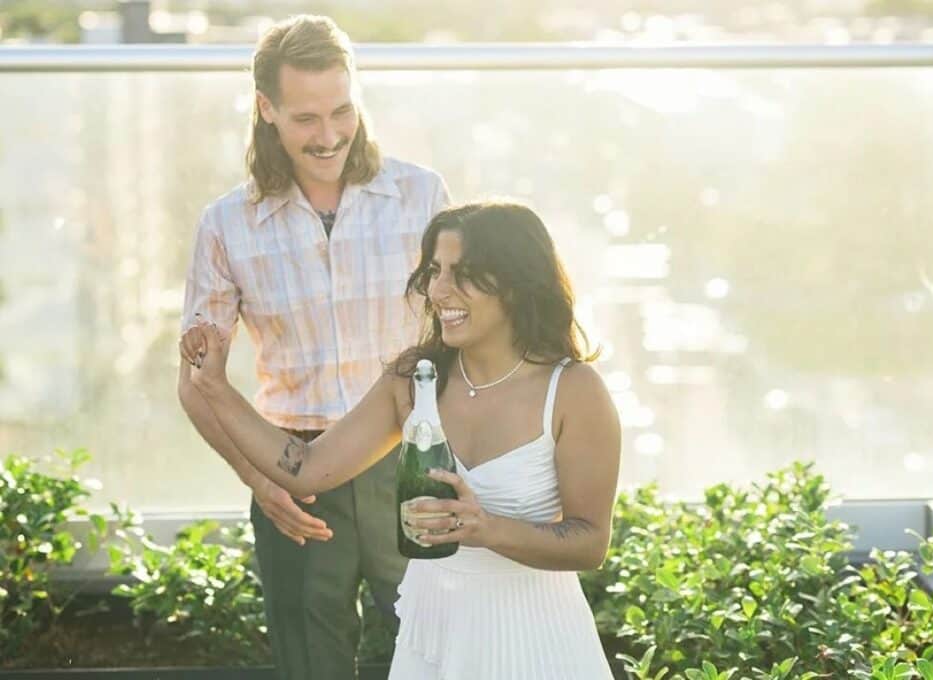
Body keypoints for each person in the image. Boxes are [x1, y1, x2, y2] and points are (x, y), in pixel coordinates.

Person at [180, 201, 621, 679]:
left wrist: (484, 527)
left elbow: (590, 542)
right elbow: (307, 467)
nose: (438, 290)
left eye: (462, 273)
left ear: (515, 284)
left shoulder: (574, 391)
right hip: (433, 639)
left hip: (534, 639)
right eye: (435, 271)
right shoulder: (414, 380)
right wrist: (216, 389)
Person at [176, 14, 449, 680]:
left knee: (436, 652)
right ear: (266, 109)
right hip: (291, 472)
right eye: (305, 119)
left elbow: (463, 341)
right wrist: (258, 478)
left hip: (410, 456)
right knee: (310, 666)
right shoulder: (225, 224)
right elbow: (195, 381)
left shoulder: (422, 194)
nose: (328, 136)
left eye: (341, 111)